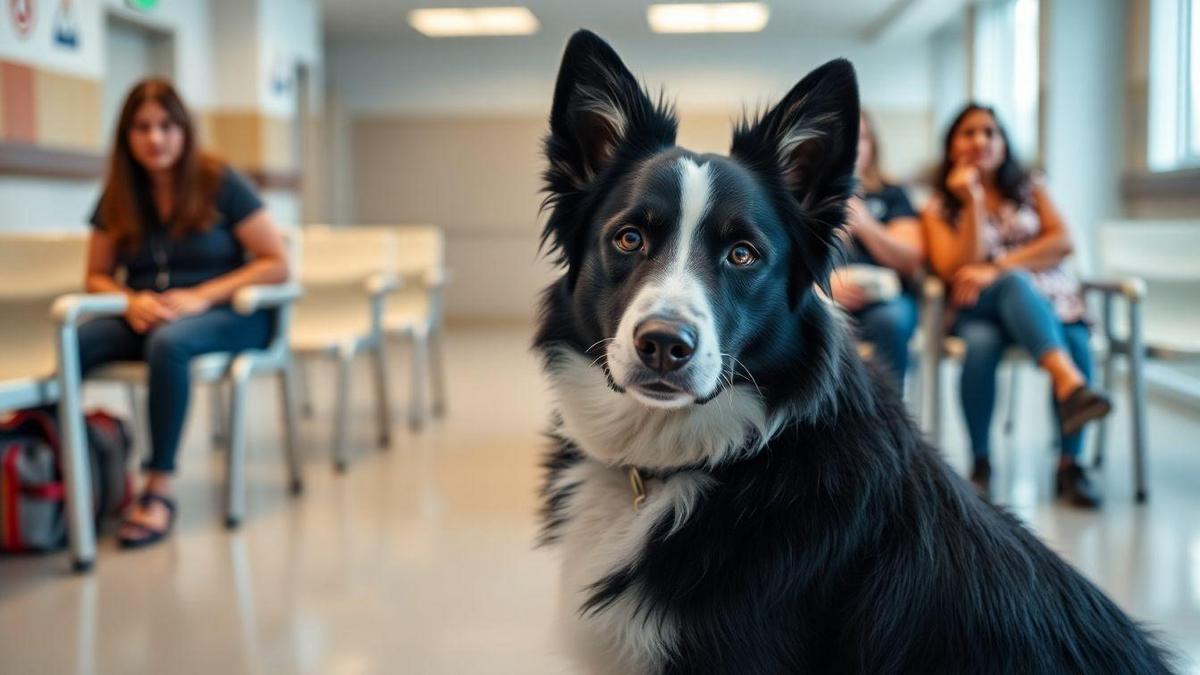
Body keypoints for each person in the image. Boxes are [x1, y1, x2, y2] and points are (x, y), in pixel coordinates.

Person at [80, 79, 289, 546]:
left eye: (166, 126)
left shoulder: (221, 182)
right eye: (142, 127)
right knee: (74, 343)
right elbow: (95, 275)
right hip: (151, 312)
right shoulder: (120, 193)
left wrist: (204, 295)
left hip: (232, 313)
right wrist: (128, 300)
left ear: (184, 131)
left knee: (169, 344)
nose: (155, 139)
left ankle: (159, 487)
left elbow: (277, 263)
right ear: (126, 136)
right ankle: (57, 470)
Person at [922, 103, 1111, 508]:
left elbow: (1063, 242)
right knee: (992, 324)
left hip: (1046, 301)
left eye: (991, 132)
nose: (981, 141)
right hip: (977, 306)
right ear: (952, 146)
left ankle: (1070, 466)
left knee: (1070, 337)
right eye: (969, 133)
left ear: (1003, 142)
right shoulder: (939, 206)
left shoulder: (1030, 185)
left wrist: (999, 266)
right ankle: (985, 458)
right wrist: (970, 200)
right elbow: (953, 267)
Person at [830, 111, 924, 387]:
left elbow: (910, 260)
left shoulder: (892, 195)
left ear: (872, 147)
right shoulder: (799, 198)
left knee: (891, 321)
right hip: (823, 298)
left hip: (885, 301)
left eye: (859, 139)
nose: (850, 147)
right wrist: (822, 289)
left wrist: (865, 224)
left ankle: (886, 417)